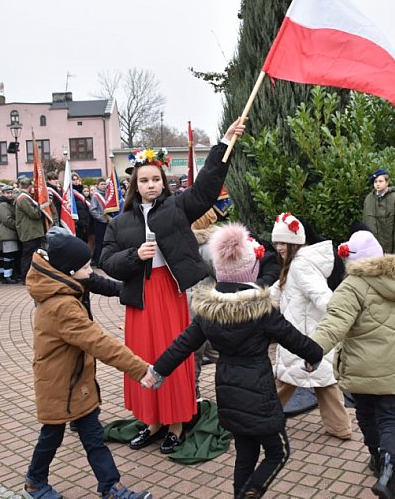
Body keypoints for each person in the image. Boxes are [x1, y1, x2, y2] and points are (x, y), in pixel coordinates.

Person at [99, 117, 245, 455]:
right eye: (144, 180)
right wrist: (134, 255)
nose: (151, 185)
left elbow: (207, 188)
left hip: (169, 293)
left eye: (156, 180)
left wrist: (223, 144)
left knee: (173, 357)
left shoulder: (178, 207)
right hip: (139, 300)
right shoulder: (120, 222)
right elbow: (107, 262)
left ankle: (176, 424)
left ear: (164, 183)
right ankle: (151, 421)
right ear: (134, 185)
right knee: (142, 358)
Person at [147, 223, 323, 499]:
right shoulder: (262, 311)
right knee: (278, 451)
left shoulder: (208, 312)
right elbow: (293, 338)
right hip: (259, 392)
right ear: (251, 272)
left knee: (245, 453)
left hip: (228, 391)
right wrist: (315, 354)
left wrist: (157, 371)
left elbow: (183, 345)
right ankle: (251, 492)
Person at [21, 227, 152, 499]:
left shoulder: (66, 286)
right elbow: (99, 342)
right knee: (52, 436)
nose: (90, 270)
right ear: (69, 271)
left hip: (75, 381)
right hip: (59, 385)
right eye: (85, 266)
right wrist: (140, 369)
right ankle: (34, 481)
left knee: (93, 437)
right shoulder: (63, 306)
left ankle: (110, 488)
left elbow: (100, 286)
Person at [310, 231, 395, 499]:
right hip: (391, 364)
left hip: (360, 365)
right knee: (389, 418)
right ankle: (387, 473)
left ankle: (375, 458)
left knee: (366, 414)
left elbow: (334, 323)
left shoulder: (353, 286)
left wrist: (312, 350)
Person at [269, 212, 353, 440]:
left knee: (284, 383)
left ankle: (263, 421)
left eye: (283, 242)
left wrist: (337, 318)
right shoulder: (295, 264)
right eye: (276, 242)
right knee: (326, 385)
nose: (278, 248)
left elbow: (323, 297)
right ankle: (340, 427)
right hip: (305, 336)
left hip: (302, 338)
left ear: (295, 242)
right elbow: (278, 289)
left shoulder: (300, 265)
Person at [363, 169, 395, 254]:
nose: (377, 184)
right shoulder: (369, 199)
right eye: (375, 181)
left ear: (387, 182)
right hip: (372, 250)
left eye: (380, 181)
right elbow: (366, 224)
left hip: (390, 250)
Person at [15, 177, 47, 280]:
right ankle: (26, 276)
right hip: (29, 232)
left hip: (32, 232)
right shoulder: (23, 198)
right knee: (28, 256)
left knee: (32, 255)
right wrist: (41, 207)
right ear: (29, 187)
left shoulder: (26, 197)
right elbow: (34, 214)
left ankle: (31, 276)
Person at [0, 186, 21, 284]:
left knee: (10, 256)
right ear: (3, 193)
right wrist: (18, 225)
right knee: (8, 256)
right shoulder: (2, 205)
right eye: (7, 193)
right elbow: (7, 220)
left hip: (9, 233)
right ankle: (7, 276)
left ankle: (8, 274)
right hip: (6, 233)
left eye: (11, 193)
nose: (10, 195)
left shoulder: (8, 203)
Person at [89, 178, 110, 266]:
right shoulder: (95, 196)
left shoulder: (107, 195)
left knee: (106, 242)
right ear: (97, 185)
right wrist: (102, 218)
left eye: (105, 184)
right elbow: (92, 210)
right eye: (101, 184)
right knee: (99, 242)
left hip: (108, 222)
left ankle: (105, 260)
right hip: (100, 223)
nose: (104, 186)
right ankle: (98, 261)